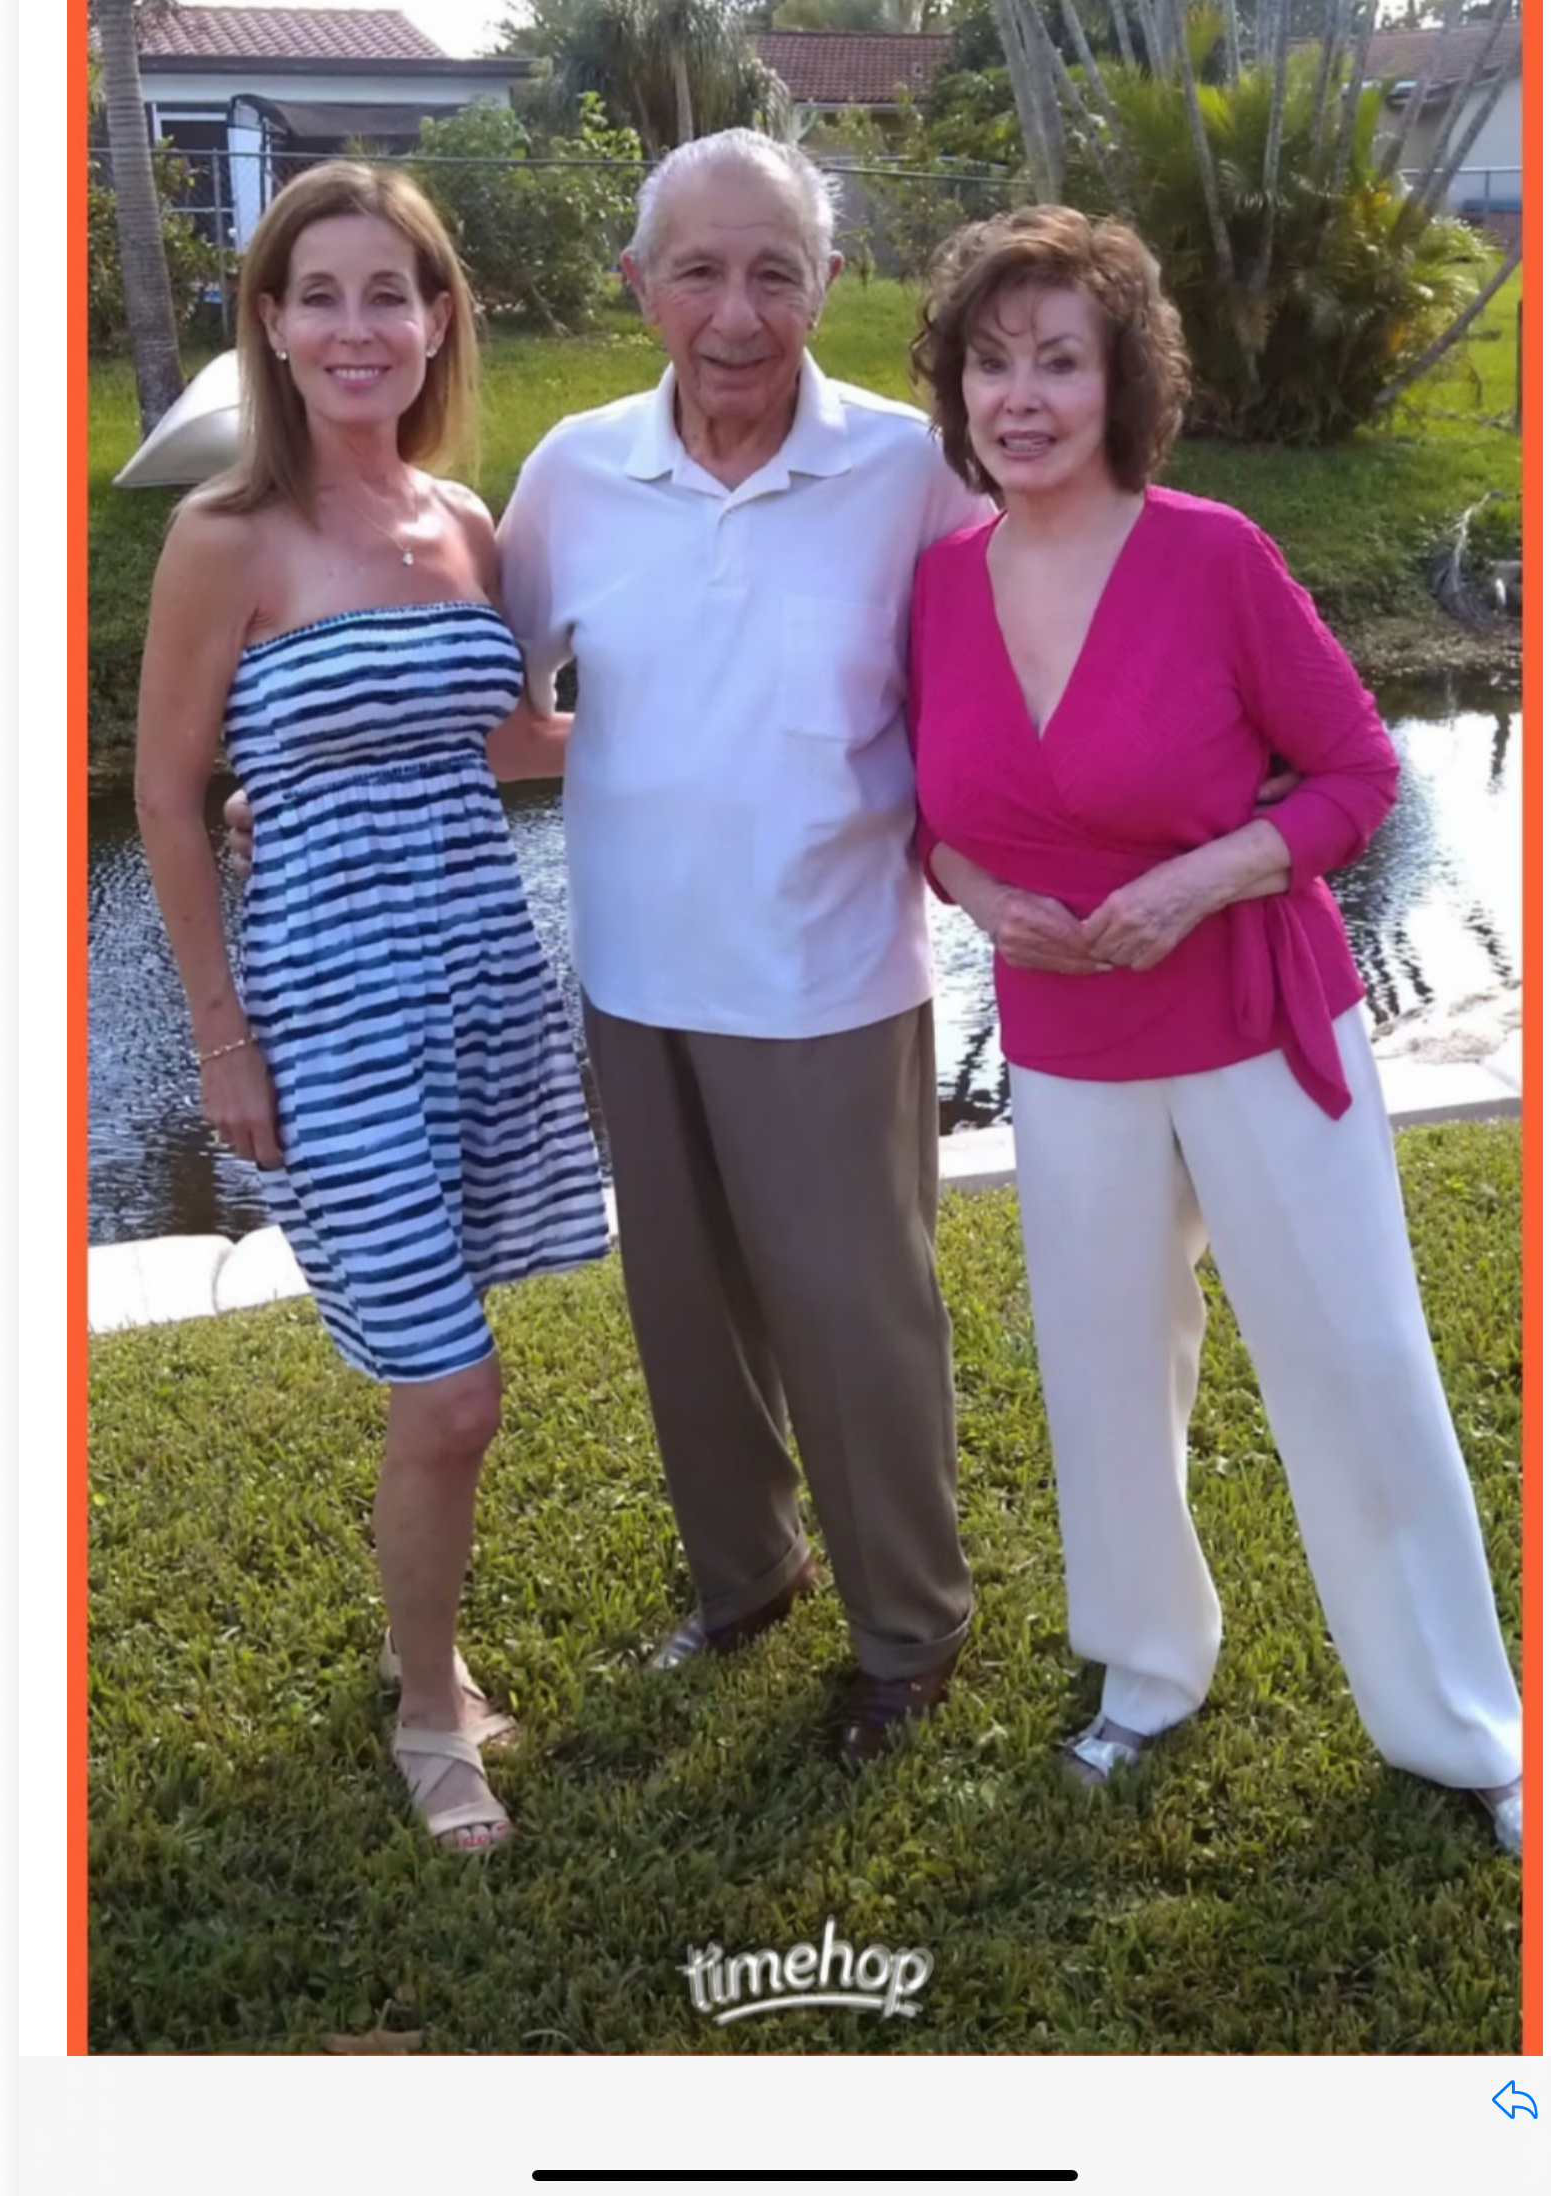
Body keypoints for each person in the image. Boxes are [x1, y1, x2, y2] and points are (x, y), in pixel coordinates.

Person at [907, 205, 1524, 1852]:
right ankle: (1145, 1672)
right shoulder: (940, 586)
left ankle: (1465, 1729)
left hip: (1256, 1017)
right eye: (991, 361)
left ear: (1123, 385)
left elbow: (1357, 776)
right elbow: (925, 808)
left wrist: (1196, 883)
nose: (1020, 395)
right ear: (955, 385)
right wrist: (971, 890)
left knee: (1352, 1358)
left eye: (1059, 360)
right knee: (1103, 1371)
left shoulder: (1211, 555)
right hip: (1063, 1040)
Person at [495, 130, 993, 1763]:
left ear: (827, 286)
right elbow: (503, 709)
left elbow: (990, 697)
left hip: (833, 975)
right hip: (634, 970)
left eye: (774, 269)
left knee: (857, 1317)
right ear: (639, 287)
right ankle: (746, 1575)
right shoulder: (572, 471)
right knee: (685, 1310)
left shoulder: (910, 468)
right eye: (698, 269)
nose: (736, 309)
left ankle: (910, 1627)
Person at [136, 162, 609, 1852]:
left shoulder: (462, 525)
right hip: (329, 1010)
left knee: (462, 1361)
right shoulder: (225, 538)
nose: (357, 327)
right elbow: (171, 799)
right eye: (319, 294)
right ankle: (429, 1711)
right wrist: (217, 1032)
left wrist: (700, 701)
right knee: (453, 1386)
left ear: (435, 324)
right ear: (270, 324)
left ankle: (433, 1667)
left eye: (387, 296)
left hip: (481, 981)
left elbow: (489, 740)